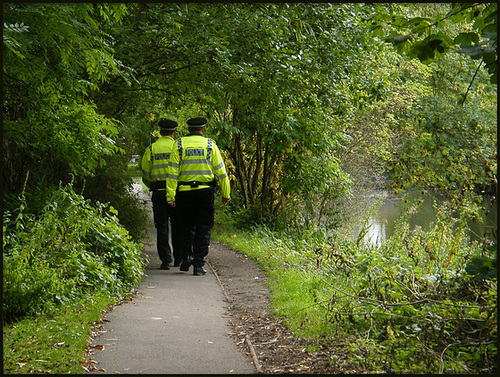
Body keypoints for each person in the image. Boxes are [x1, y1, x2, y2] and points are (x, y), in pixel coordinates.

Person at [166, 117, 230, 275]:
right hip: (204, 193)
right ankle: (199, 265)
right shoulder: (210, 145)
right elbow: (221, 172)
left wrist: (170, 196)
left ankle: (187, 255)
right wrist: (225, 194)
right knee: (204, 228)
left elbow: (172, 172)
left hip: (185, 193)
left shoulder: (179, 145)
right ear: (203, 129)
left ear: (189, 129)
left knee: (185, 227)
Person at [141, 119, 181, 270]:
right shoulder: (177, 147)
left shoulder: (151, 149)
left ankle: (165, 260)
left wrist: (151, 184)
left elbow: (145, 173)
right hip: (176, 192)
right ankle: (178, 257)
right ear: (174, 132)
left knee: (162, 226)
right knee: (177, 225)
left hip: (158, 191)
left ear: (160, 132)